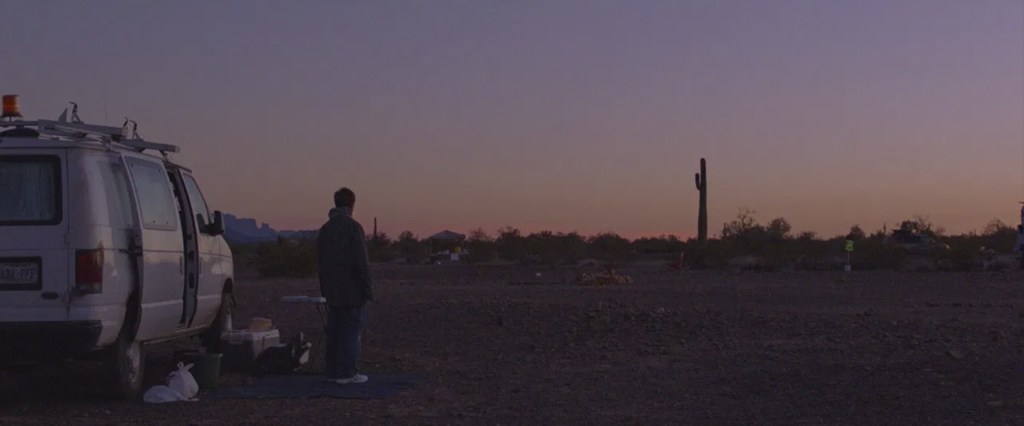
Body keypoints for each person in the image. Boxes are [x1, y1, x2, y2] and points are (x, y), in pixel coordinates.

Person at [316, 187, 373, 384]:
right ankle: (347, 372)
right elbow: (361, 261)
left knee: (334, 330)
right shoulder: (353, 227)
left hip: (331, 290)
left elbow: (321, 262)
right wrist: (367, 289)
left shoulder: (325, 229)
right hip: (352, 291)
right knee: (351, 331)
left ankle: (332, 371)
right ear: (352, 205)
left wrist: (324, 288)